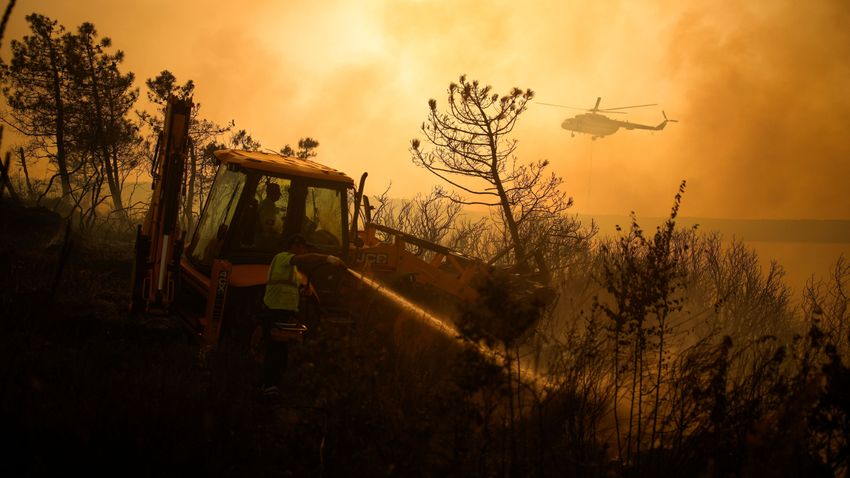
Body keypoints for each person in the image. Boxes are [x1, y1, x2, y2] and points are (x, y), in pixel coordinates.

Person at [261, 234, 346, 397]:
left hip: (282, 311)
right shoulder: (283, 258)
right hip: (276, 310)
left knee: (280, 350)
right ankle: (269, 386)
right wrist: (327, 258)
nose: (304, 250)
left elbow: (286, 287)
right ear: (294, 246)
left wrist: (301, 292)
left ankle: (273, 385)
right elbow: (306, 259)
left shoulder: (289, 268)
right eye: (302, 247)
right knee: (276, 350)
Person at [257, 183, 283, 247]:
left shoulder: (266, 203)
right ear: (273, 193)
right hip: (264, 242)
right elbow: (268, 227)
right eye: (278, 193)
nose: (279, 195)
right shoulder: (269, 206)